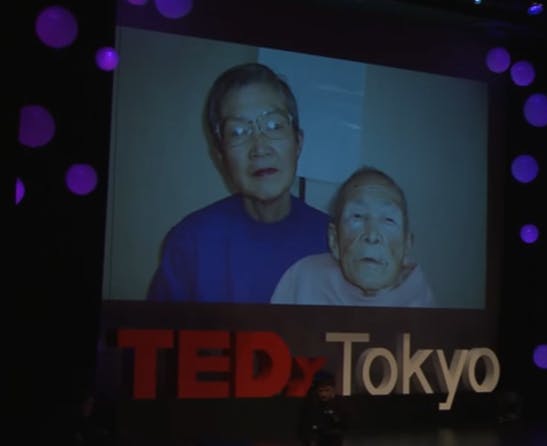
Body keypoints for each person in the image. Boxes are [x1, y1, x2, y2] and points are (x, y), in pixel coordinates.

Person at [147, 62, 330, 303]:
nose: (260, 148)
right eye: (238, 132)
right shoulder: (191, 242)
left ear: (298, 142)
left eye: (274, 126)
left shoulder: (334, 241)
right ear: (220, 156)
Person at [271, 166, 435, 307]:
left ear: (407, 245)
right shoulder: (303, 280)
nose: (371, 236)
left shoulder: (418, 297)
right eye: (357, 216)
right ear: (334, 240)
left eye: (389, 220)